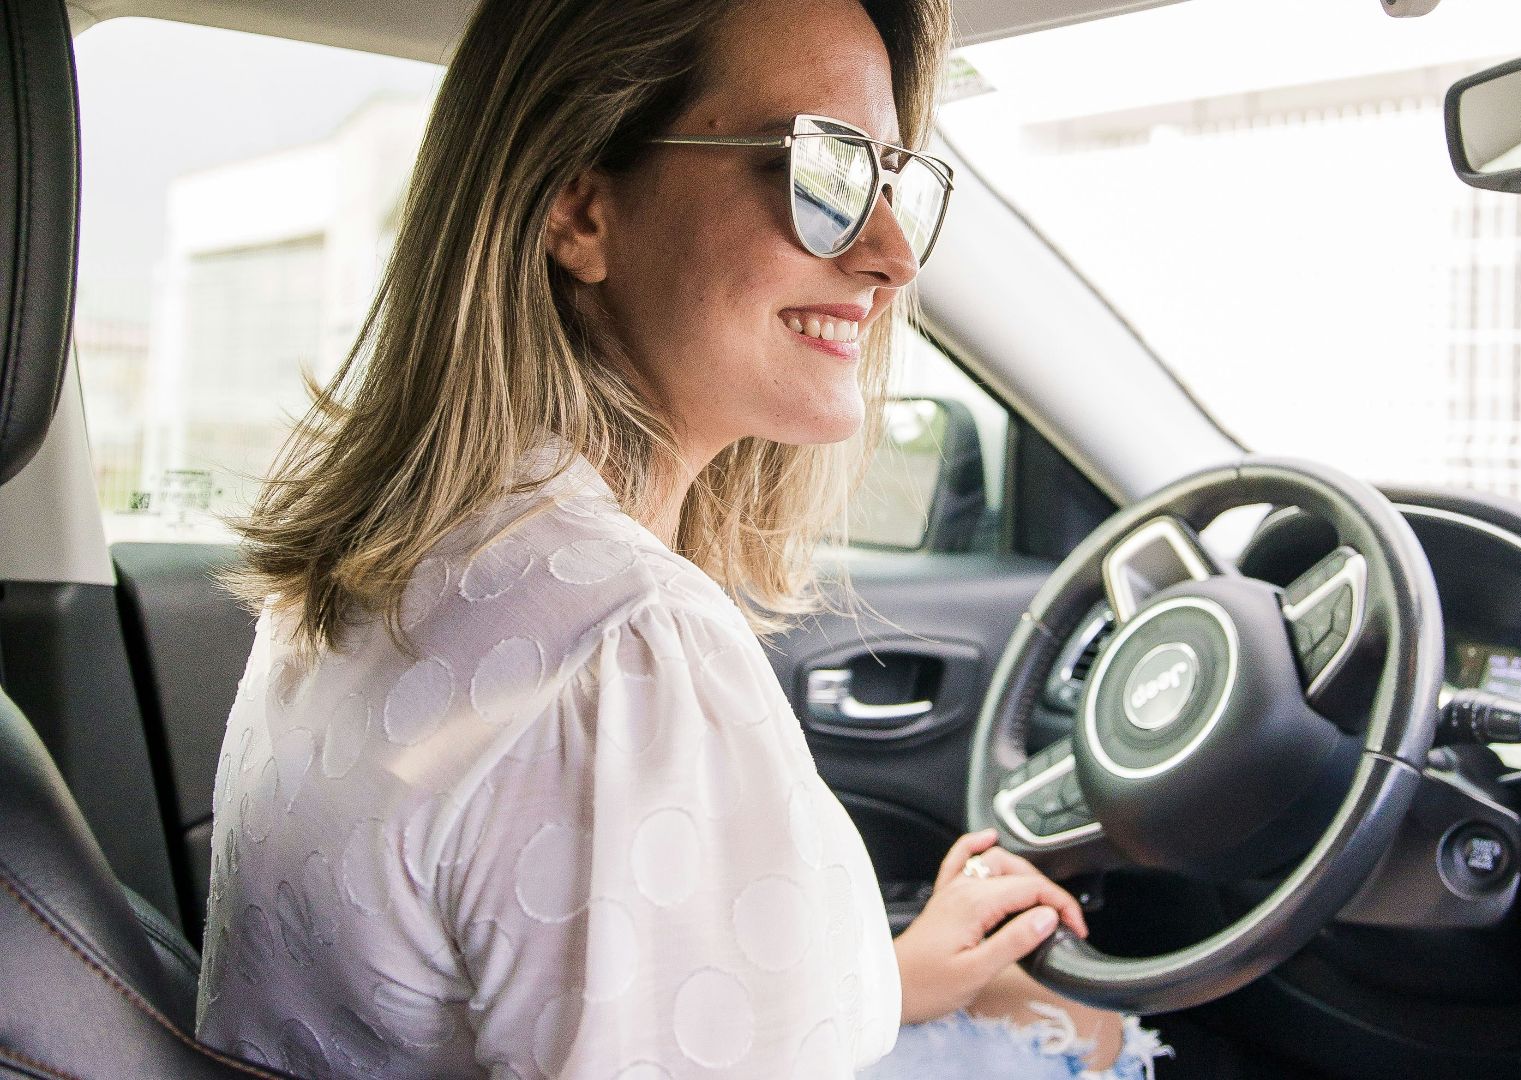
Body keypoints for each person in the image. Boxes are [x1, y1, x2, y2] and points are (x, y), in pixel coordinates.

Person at [193, 0, 1172, 1076]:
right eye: (824, 168)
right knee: (1112, 1043)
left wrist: (878, 976)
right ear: (580, 208)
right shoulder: (623, 653)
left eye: (892, 179)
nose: (892, 254)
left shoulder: (386, 565)